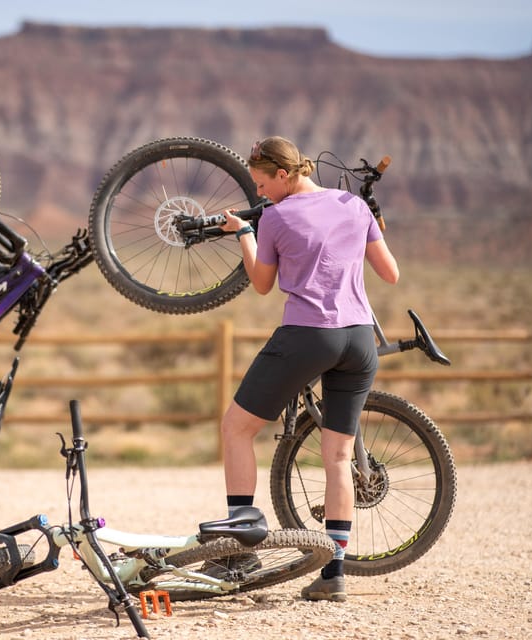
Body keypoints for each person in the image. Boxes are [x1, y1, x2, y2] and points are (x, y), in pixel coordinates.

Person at [198, 136, 399, 602]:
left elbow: (263, 285)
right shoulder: (353, 204)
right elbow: (390, 273)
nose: (260, 193)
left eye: (262, 183)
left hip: (309, 334)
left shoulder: (276, 217)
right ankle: (334, 574)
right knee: (338, 459)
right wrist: (367, 225)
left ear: (284, 175)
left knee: (235, 429)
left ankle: (239, 548)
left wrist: (244, 234)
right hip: (359, 337)